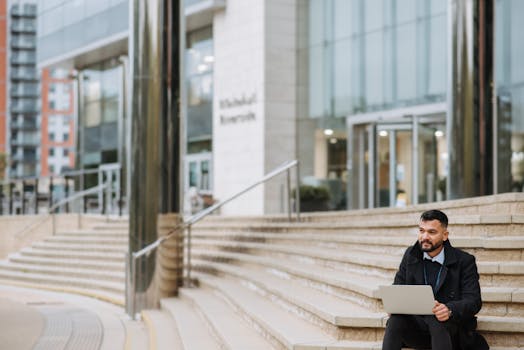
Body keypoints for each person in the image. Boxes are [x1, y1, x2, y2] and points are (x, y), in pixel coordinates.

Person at [382, 209, 489, 350]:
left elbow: (473, 301)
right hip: (418, 331)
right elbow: (398, 287)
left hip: (450, 331)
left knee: (436, 319)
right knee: (395, 321)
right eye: (421, 231)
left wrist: (450, 309)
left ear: (445, 235)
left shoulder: (464, 261)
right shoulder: (411, 255)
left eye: (432, 232)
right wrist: (394, 305)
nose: (424, 237)